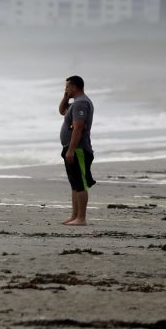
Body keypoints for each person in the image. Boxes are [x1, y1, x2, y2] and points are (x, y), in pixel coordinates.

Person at [59, 75, 96, 226]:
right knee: (74, 183)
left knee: (80, 183)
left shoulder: (81, 103)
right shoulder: (75, 103)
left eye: (67, 87)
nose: (65, 89)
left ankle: (81, 218)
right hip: (71, 148)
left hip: (78, 149)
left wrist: (71, 150)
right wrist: (65, 96)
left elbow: (79, 127)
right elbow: (62, 111)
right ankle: (75, 216)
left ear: (75, 87)